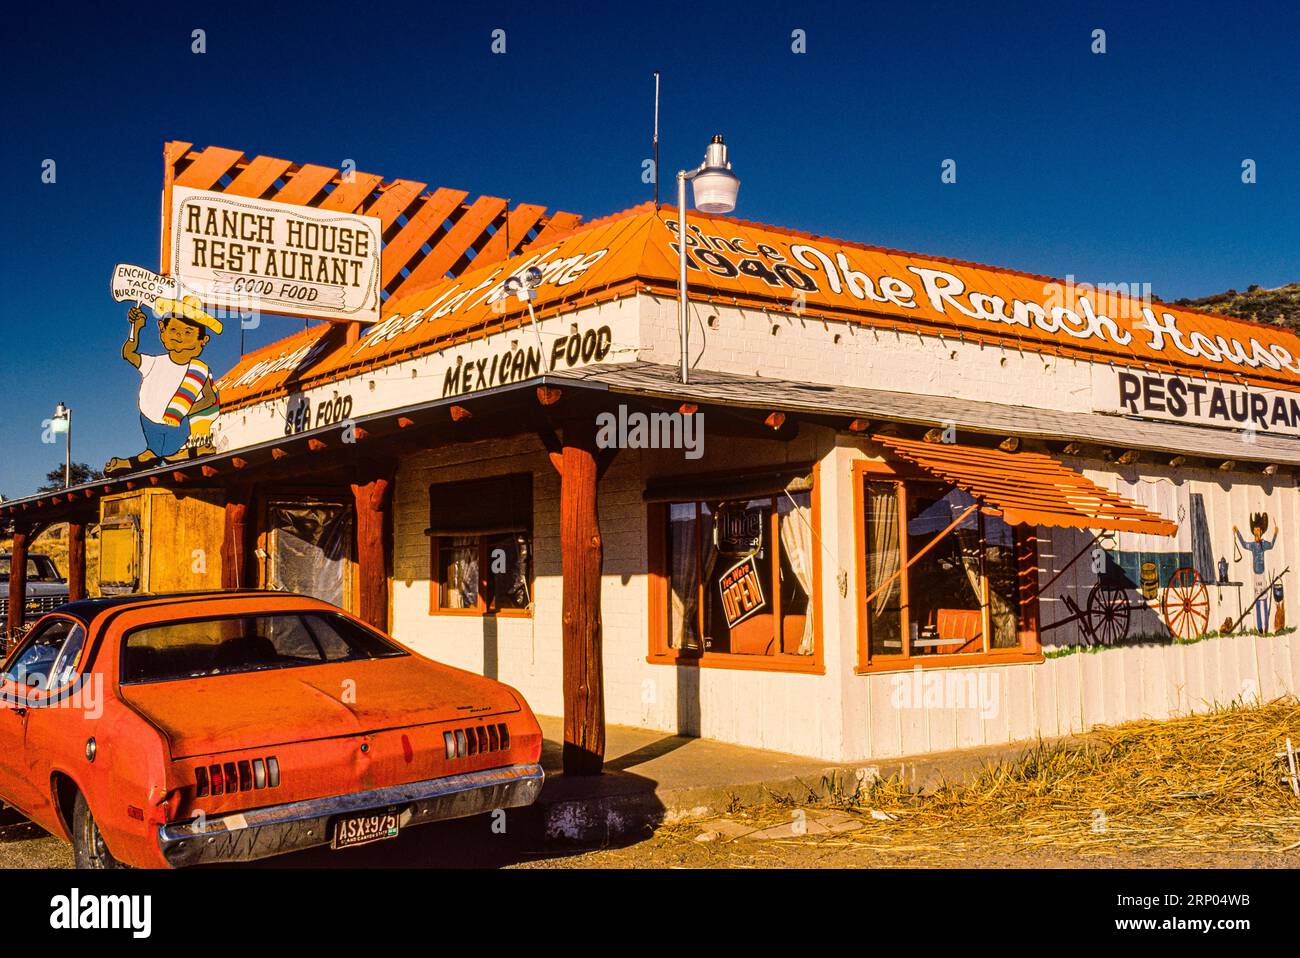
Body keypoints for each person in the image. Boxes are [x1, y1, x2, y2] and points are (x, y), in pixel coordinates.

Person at [105, 296, 221, 475]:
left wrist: (184, 411)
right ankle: (178, 454)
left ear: (203, 340)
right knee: (159, 453)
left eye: (188, 332)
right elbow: (129, 353)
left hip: (178, 427)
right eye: (174, 329)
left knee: (161, 454)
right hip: (149, 423)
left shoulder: (199, 370)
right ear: (162, 329)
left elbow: (210, 399)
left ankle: (169, 455)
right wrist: (136, 327)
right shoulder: (154, 363)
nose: (180, 336)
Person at [1234, 512, 1277, 633]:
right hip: (1256, 577)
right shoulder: (1252, 546)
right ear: (1253, 531)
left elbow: (1272, 545)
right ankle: (1260, 627)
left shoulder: (1263, 544)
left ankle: (1266, 626)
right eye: (1255, 530)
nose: (1256, 532)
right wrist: (1237, 532)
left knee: (1264, 601)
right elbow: (1243, 544)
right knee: (1257, 602)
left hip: (1262, 576)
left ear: (1261, 531)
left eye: (1258, 529)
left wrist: (1275, 534)